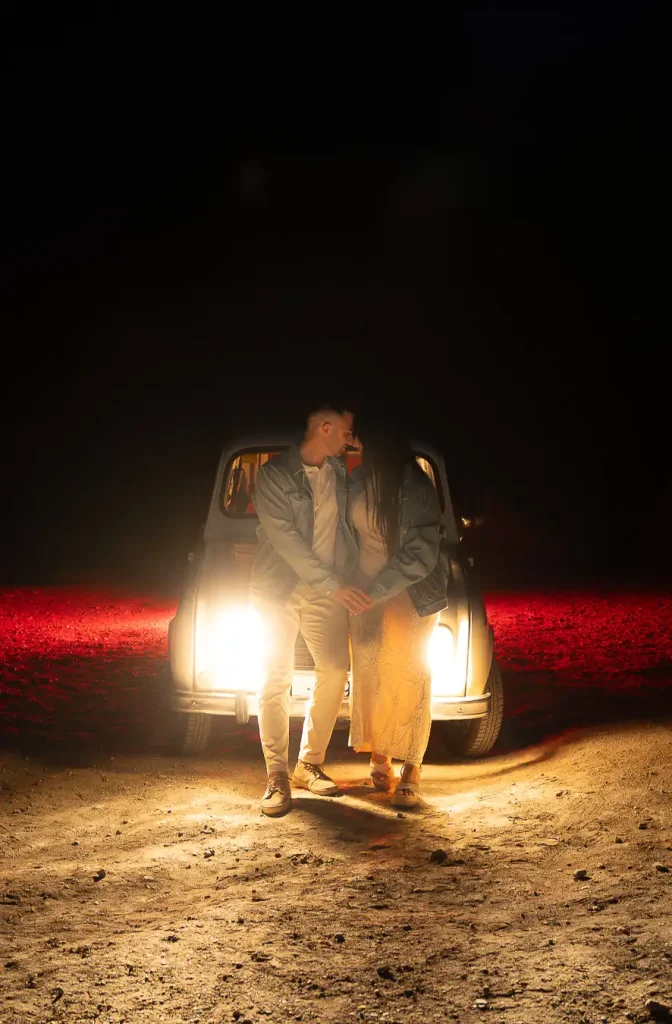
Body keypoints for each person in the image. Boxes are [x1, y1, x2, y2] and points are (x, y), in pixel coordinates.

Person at [250, 405, 373, 816]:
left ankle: (309, 763)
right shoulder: (272, 476)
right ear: (325, 428)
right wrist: (334, 584)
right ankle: (276, 777)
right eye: (346, 430)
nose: (349, 436)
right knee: (275, 678)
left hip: (327, 590)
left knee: (336, 670)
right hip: (277, 588)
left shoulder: (339, 474)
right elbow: (288, 543)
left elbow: (366, 497)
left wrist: (359, 452)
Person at [348, 416, 448, 807]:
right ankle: (380, 757)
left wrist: (376, 590)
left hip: (408, 593)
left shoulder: (415, 486)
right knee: (371, 675)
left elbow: (421, 553)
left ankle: (412, 766)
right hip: (364, 594)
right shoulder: (359, 481)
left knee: (409, 676)